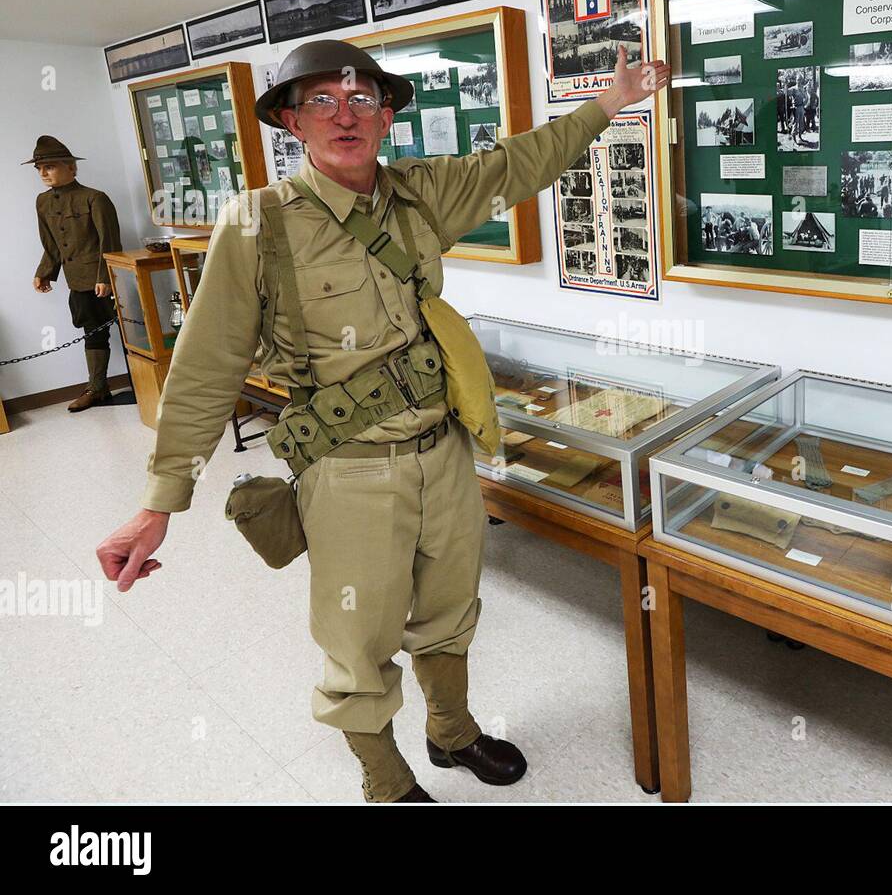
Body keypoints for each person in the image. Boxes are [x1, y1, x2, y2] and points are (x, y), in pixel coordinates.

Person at [94, 39, 669, 803]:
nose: (344, 114)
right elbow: (204, 370)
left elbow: (518, 166)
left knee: (450, 611)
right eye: (322, 101)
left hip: (446, 452)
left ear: (387, 116)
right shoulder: (256, 225)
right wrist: (158, 503)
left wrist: (606, 104)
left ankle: (451, 733)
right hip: (349, 471)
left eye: (362, 99)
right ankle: (384, 779)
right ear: (292, 122)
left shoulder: (421, 196)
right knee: (358, 641)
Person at [26, 136, 123, 411]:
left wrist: (105, 277)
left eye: (50, 167)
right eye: (39, 169)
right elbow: (52, 244)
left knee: (124, 329)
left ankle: (141, 381)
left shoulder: (95, 198)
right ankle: (98, 388)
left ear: (71, 168)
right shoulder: (42, 202)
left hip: (102, 279)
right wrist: (45, 271)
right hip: (77, 281)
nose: (43, 173)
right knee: (92, 331)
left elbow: (111, 242)